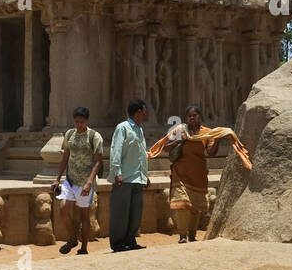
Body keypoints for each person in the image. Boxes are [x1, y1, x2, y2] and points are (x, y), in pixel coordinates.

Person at [148, 103, 253, 242]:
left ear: (199, 117)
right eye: (189, 116)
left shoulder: (207, 133)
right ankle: (182, 235)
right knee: (182, 204)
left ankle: (192, 234)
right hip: (181, 172)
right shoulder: (180, 130)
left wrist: (218, 139)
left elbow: (210, 153)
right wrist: (178, 141)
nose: (192, 118)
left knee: (195, 206)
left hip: (198, 174)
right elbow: (165, 148)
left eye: (194, 115)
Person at [51, 106, 103, 255]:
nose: (78, 124)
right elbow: (65, 157)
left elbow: (98, 161)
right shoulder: (69, 134)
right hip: (70, 179)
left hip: (85, 181)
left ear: (86, 121)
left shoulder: (94, 136)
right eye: (76, 121)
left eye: (81, 122)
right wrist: (57, 179)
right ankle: (73, 238)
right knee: (62, 208)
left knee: (84, 215)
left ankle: (84, 248)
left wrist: (89, 182)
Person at [108, 99, 150, 252]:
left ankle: (130, 240)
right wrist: (117, 172)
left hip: (137, 177)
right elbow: (116, 150)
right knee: (121, 211)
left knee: (135, 212)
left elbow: (141, 155)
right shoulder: (123, 128)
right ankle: (118, 243)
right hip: (124, 177)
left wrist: (145, 175)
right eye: (144, 111)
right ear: (138, 112)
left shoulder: (139, 129)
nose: (146, 114)